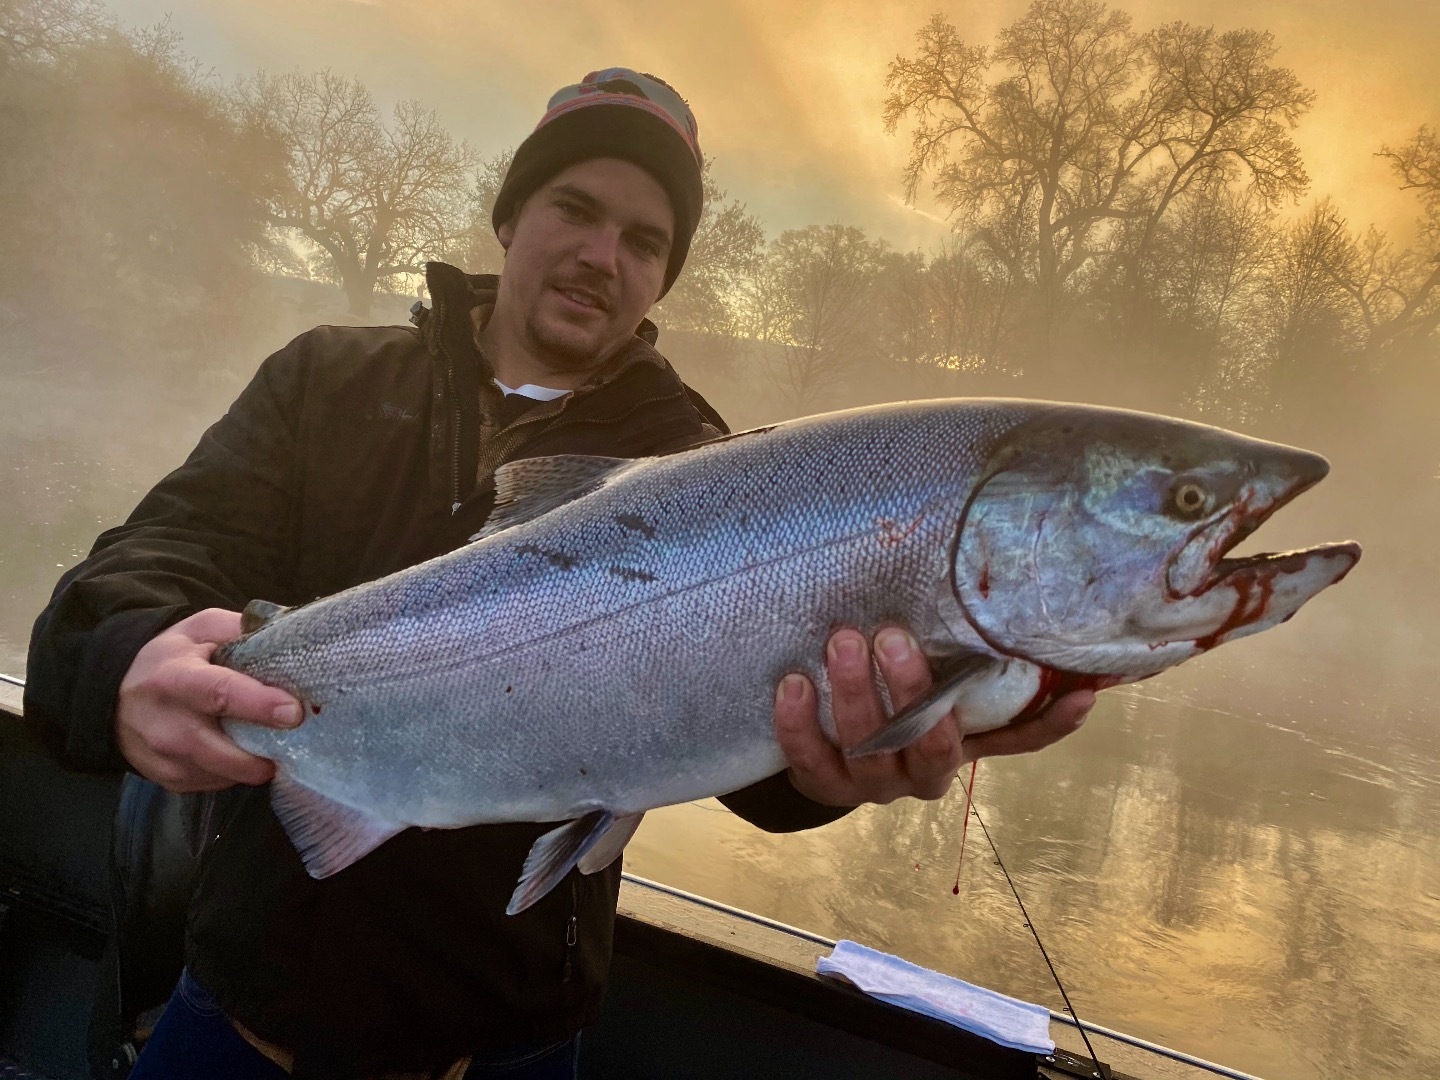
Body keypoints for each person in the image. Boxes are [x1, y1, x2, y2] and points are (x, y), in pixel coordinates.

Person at [25, 68, 1092, 1078]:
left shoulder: (712, 469)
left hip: (509, 1044)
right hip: (243, 1009)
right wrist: (123, 662)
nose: (602, 254)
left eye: (644, 239)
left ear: (664, 274)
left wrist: (837, 772)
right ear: (509, 217)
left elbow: (760, 765)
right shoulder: (326, 382)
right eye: (575, 209)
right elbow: (143, 566)